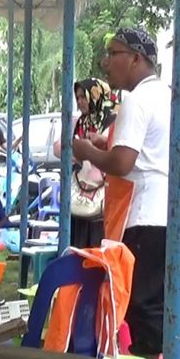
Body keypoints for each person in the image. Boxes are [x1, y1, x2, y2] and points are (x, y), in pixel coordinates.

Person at [73, 27, 169, 357]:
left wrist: (87, 151)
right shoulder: (167, 96)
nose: (106, 62)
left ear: (135, 58)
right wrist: (107, 144)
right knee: (154, 306)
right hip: (166, 216)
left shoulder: (137, 100)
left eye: (114, 54)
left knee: (143, 308)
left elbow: (123, 162)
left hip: (144, 217)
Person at [61, 78, 118, 248]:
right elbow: (64, 147)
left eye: (83, 97)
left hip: (104, 196)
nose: (79, 102)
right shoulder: (81, 122)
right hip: (81, 192)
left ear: (96, 96)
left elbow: (118, 152)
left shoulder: (114, 121)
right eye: (77, 98)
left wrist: (99, 144)